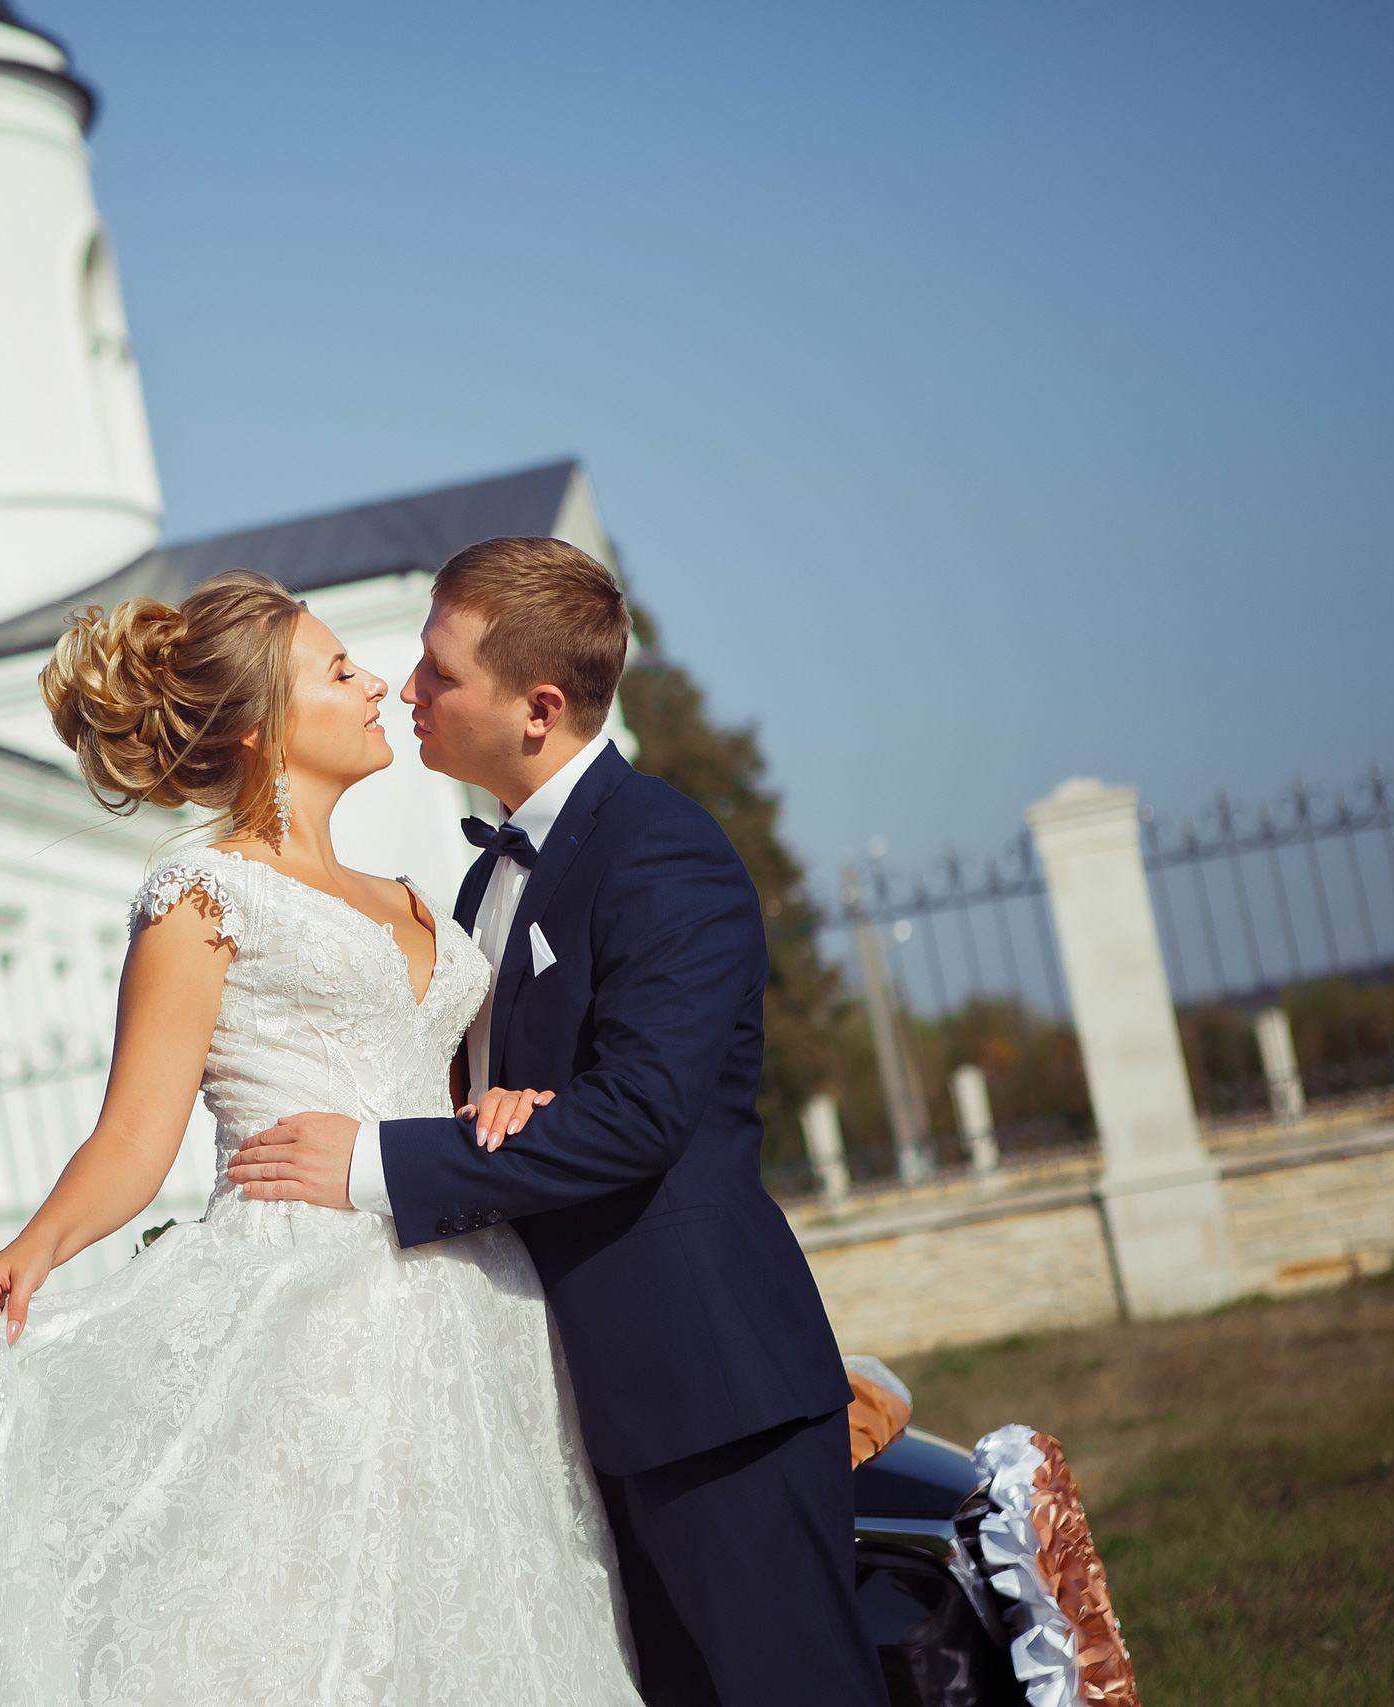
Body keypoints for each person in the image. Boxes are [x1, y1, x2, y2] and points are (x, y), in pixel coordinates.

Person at [0, 571, 643, 1704]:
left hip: (481, 1305)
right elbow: (134, 1134)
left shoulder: (421, 894)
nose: (378, 683)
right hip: (311, 1312)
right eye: (338, 673)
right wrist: (30, 1251)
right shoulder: (200, 894)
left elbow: (473, 1085)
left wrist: (513, 1105)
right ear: (253, 725)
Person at [227, 537, 890, 1707]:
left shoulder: (664, 853)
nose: (407, 690)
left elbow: (635, 1120)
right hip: (569, 1405)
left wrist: (371, 1160)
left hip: (706, 1398)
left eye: (439, 673)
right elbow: (529, 1110)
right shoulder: (488, 883)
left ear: (537, 707)